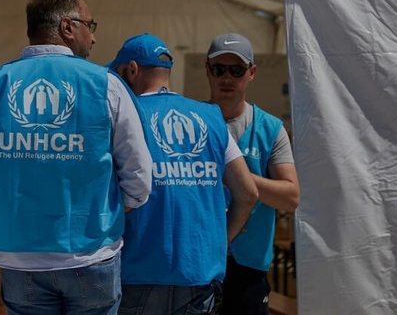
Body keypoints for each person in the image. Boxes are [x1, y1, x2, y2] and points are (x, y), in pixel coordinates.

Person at [0, 0, 153, 315]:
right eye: (90, 26)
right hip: (91, 254)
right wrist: (106, 214)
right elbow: (139, 178)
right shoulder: (106, 86)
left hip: (19, 259)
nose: (93, 38)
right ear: (67, 27)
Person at [107, 33, 258, 315]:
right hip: (198, 275)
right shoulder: (211, 117)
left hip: (137, 273)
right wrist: (217, 242)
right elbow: (248, 193)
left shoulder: (124, 116)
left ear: (132, 70)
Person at [205, 33, 301, 315]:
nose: (227, 78)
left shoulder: (270, 128)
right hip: (200, 260)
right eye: (218, 69)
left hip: (249, 269)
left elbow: (291, 197)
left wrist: (241, 179)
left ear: (251, 73)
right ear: (206, 70)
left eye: (236, 70)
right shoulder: (191, 122)